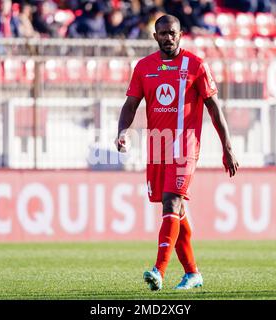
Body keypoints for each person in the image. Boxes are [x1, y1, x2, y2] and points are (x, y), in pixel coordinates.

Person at [115, 15, 239, 291]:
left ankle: (158, 270)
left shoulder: (196, 65)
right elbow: (130, 104)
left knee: (171, 203)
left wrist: (227, 146)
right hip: (158, 147)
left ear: (181, 34)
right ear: (155, 36)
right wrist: (123, 131)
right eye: (162, 33)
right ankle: (193, 273)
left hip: (185, 147)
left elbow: (214, 107)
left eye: (172, 33)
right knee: (175, 210)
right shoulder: (144, 67)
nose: (167, 38)